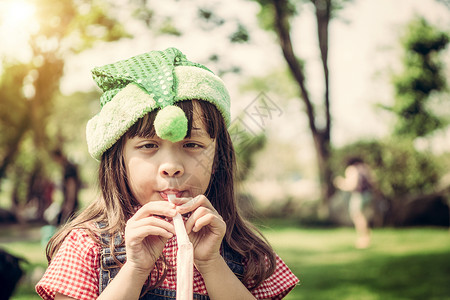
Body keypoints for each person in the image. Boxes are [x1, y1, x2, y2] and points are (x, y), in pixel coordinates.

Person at [36, 48, 299, 300]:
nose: (172, 166)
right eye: (149, 145)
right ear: (119, 160)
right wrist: (135, 269)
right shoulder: (87, 246)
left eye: (192, 145)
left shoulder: (246, 251)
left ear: (218, 160)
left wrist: (212, 263)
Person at [334, 157, 374, 249]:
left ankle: (364, 239)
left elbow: (352, 185)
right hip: (368, 195)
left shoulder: (351, 169)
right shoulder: (364, 168)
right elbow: (373, 182)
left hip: (358, 195)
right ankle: (366, 237)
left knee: (357, 216)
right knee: (361, 216)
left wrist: (340, 183)